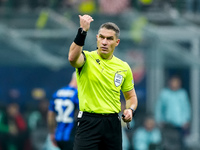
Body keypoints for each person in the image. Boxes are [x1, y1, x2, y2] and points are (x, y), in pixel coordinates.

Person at [68, 14, 138, 150]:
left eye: (109, 38)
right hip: (88, 122)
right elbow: (72, 58)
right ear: (97, 38)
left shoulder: (123, 67)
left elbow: (131, 97)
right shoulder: (86, 58)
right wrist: (82, 31)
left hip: (112, 123)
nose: (105, 42)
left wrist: (130, 110)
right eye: (102, 37)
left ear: (117, 42)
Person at [155, 75, 191, 150]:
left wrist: (186, 120)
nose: (175, 84)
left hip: (180, 124)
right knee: (167, 143)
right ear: (170, 82)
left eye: (177, 82)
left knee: (179, 143)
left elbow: (186, 107)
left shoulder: (182, 93)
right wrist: (159, 119)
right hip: (167, 124)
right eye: (173, 82)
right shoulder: (165, 93)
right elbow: (159, 107)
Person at [47, 71, 79, 150]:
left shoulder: (57, 93)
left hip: (58, 136)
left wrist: (51, 133)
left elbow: (50, 115)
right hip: (72, 135)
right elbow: (79, 114)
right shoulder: (77, 94)